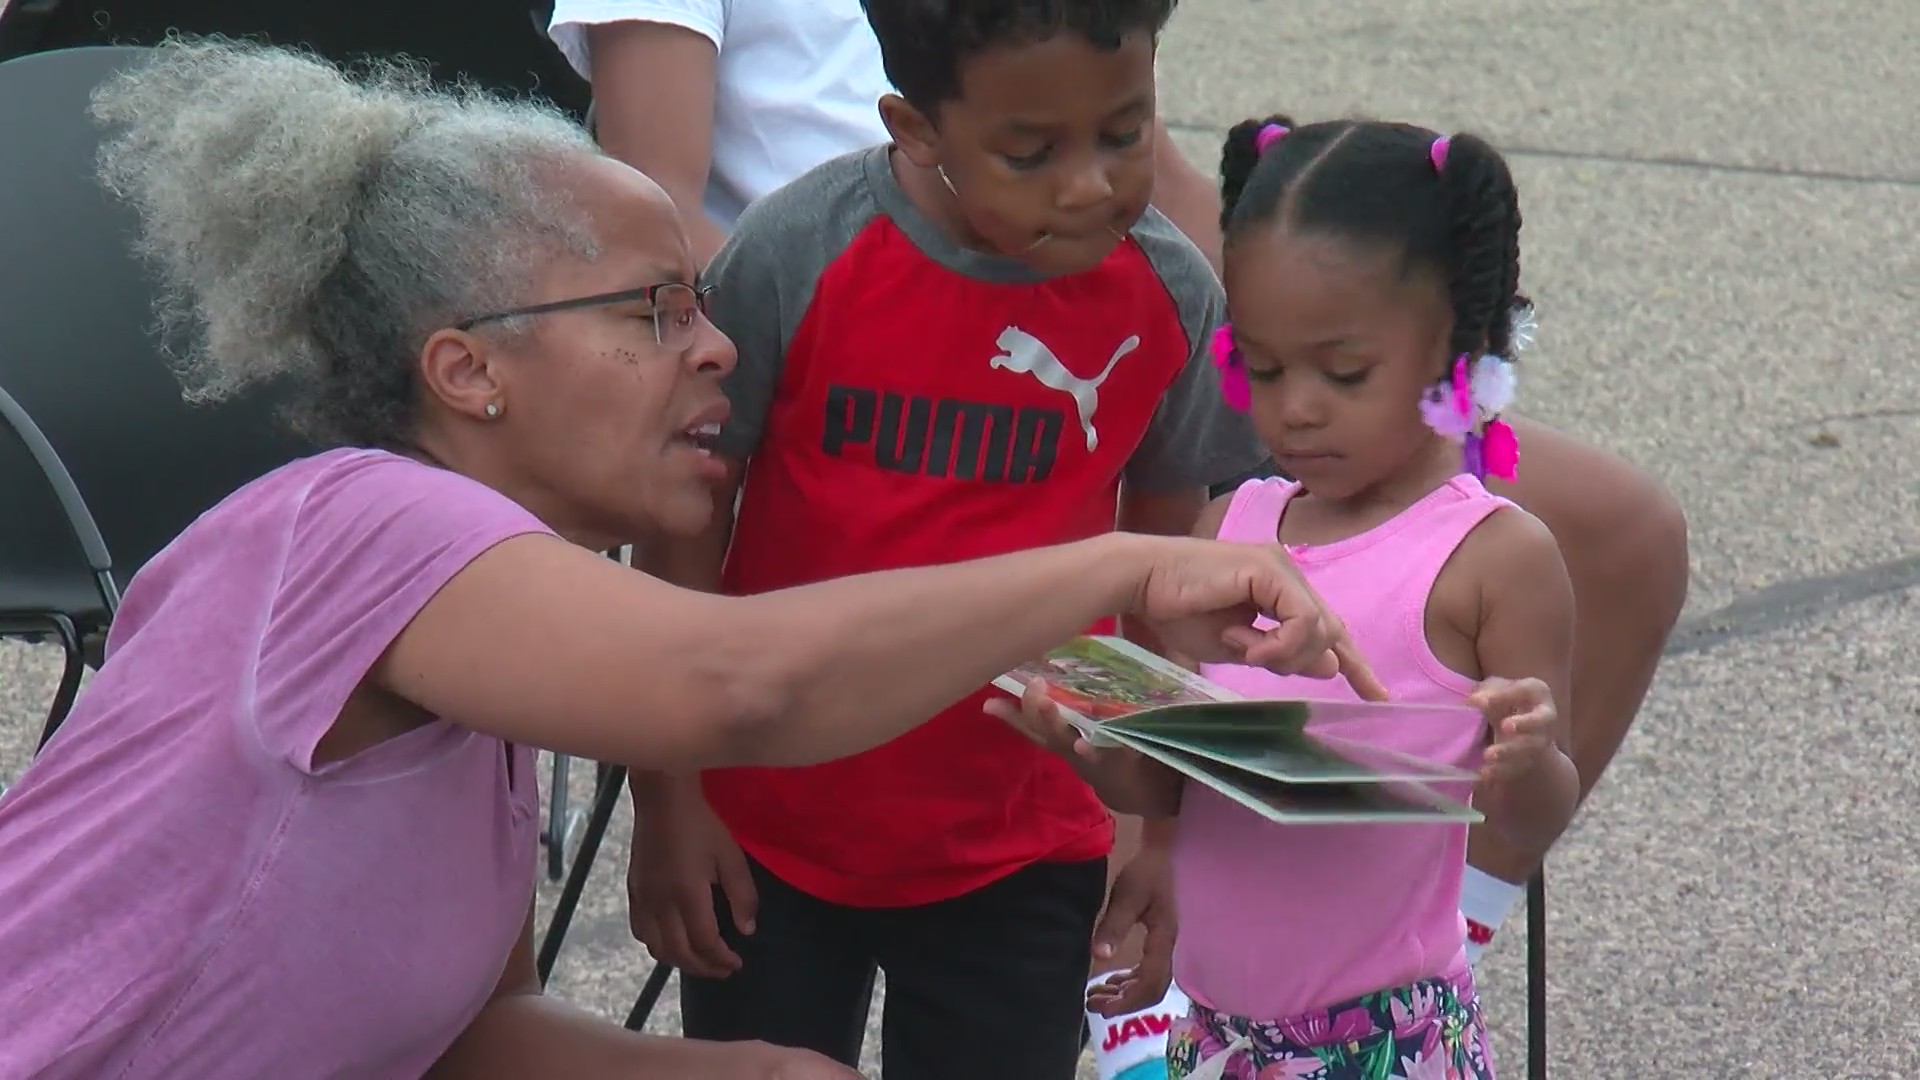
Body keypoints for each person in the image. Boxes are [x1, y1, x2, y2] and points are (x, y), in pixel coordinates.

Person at [0, 40, 1380, 1080]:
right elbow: (738, 685)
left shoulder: (497, 682)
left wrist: (738, 1071)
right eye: (652, 311)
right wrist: (1120, 573)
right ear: (468, 369)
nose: (715, 346)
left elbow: (476, 1040)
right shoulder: (364, 521)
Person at [619, 0, 1274, 1076]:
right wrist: (669, 796)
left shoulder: (1167, 294)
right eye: (1030, 151)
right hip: (770, 833)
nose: (1089, 183)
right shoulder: (796, 251)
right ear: (915, 128)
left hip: (1026, 843)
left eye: (1125, 133)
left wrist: (1156, 829)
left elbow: (1165, 589)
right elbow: (685, 532)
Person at [1001, 113, 1583, 1080]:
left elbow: (1533, 820)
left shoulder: (1489, 556)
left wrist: (1524, 760)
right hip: (1218, 1034)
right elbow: (1183, 787)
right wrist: (1102, 754)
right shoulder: (1233, 530)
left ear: (1460, 346)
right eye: (1262, 367)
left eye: (1343, 372)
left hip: (1387, 1039)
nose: (1295, 406)